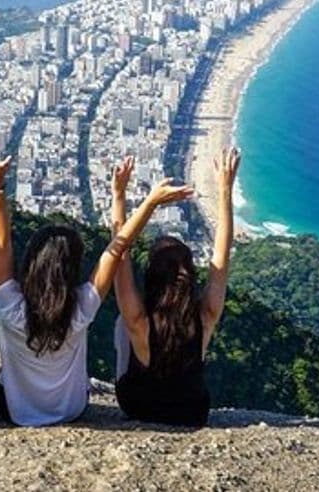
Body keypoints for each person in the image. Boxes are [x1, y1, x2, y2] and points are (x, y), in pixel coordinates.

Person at [0, 153, 194, 426]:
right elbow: (117, 248)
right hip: (72, 410)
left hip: (14, 412)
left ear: (31, 264)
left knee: (2, 375)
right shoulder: (81, 307)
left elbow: (2, 242)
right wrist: (144, 201)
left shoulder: (8, 304)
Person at [111, 147, 241, 427]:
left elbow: (119, 254)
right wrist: (225, 190)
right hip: (191, 413)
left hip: (139, 407)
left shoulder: (139, 321)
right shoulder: (205, 316)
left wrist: (120, 196)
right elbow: (221, 258)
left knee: (122, 323)